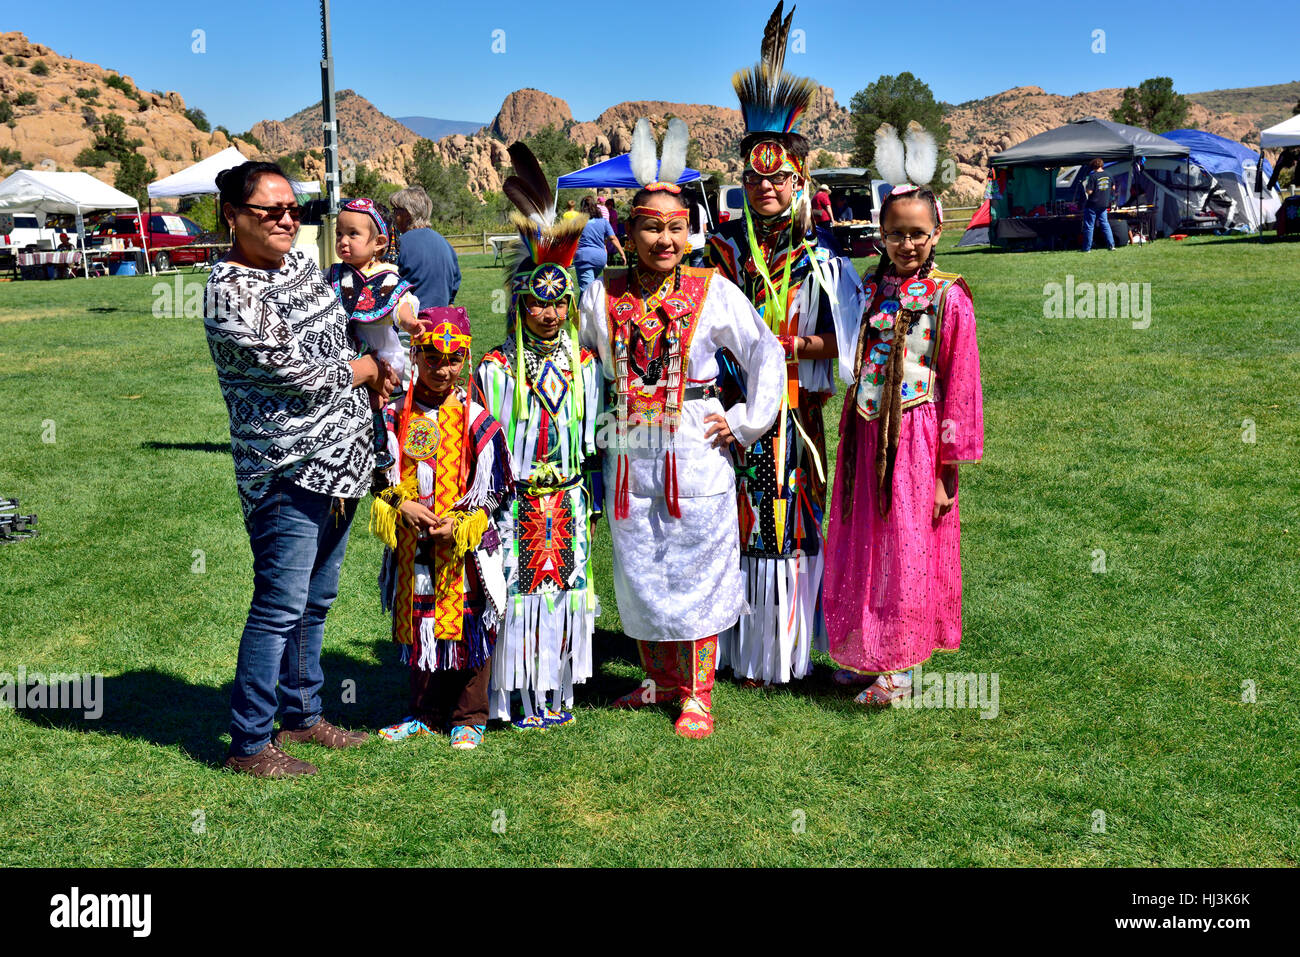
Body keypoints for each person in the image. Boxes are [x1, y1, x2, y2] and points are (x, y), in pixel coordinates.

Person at [580, 117, 786, 739]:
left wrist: (748, 420)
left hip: (695, 442)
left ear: (689, 231)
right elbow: (580, 356)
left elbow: (764, 352)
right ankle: (658, 680)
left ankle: (697, 691)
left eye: (675, 228)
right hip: (630, 451)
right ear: (628, 230)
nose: (664, 240)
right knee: (639, 563)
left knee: (696, 559)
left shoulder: (711, 289)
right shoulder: (603, 293)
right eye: (651, 226)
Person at [205, 161, 398, 777]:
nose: (289, 220)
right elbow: (301, 375)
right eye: (271, 211)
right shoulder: (228, 290)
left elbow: (332, 341)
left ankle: (304, 714)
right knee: (279, 606)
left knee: (316, 601)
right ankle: (250, 745)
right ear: (233, 216)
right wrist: (365, 371)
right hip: (284, 473)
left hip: (340, 464)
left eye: (296, 210)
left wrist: (367, 362)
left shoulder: (299, 265)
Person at [706, 3, 863, 688]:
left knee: (792, 523)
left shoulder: (821, 259)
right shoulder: (717, 252)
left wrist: (790, 346)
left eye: (778, 179)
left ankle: (790, 654)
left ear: (800, 181)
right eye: (754, 179)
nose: (765, 188)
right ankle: (738, 651)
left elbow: (846, 343)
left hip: (797, 416)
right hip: (732, 413)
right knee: (736, 525)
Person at [823, 183, 984, 705]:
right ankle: (866, 650)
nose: (907, 244)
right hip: (865, 432)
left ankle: (904, 662)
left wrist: (946, 470)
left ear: (937, 231)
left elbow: (961, 384)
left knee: (908, 545)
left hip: (915, 435)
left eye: (917, 234)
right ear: (881, 235)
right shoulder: (869, 289)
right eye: (896, 234)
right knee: (866, 539)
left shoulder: (948, 294)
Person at [478, 143, 605, 730]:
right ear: (521, 303)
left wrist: (592, 493)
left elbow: (598, 437)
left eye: (559, 304)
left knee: (563, 593)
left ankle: (555, 691)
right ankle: (515, 693)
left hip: (570, 498)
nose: (549, 314)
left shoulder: (585, 364)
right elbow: (485, 446)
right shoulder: (496, 368)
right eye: (537, 303)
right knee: (518, 592)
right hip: (518, 501)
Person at [371, 307, 512, 751]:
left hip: (464, 550)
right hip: (415, 547)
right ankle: (424, 712)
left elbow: (497, 490)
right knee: (420, 625)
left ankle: (469, 716)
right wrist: (401, 504)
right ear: (416, 355)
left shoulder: (476, 420)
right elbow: (378, 476)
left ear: (465, 359)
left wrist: (465, 523)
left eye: (453, 359)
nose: (442, 368)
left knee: (470, 629)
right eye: (432, 357)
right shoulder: (396, 416)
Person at [327, 197, 421, 472]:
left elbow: (400, 306)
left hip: (379, 353)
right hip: (345, 350)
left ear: (379, 243)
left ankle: (380, 448)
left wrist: (410, 323)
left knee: (376, 400)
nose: (343, 241)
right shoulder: (334, 275)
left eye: (353, 234)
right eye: (339, 234)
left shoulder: (387, 278)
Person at [573, 194, 623, 295]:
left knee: (587, 293)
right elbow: (612, 237)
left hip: (584, 258)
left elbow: (570, 239)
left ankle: (584, 310)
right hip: (600, 258)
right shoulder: (603, 222)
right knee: (592, 289)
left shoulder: (578, 222)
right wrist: (622, 253)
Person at [1082, 157, 1115, 251]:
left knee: (1089, 226)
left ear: (1093, 166)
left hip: (1092, 204)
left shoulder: (1093, 176)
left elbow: (1089, 192)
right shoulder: (1109, 175)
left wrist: (1085, 188)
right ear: (1102, 165)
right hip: (1104, 204)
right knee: (1105, 224)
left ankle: (1087, 248)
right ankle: (1111, 245)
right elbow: (1113, 188)